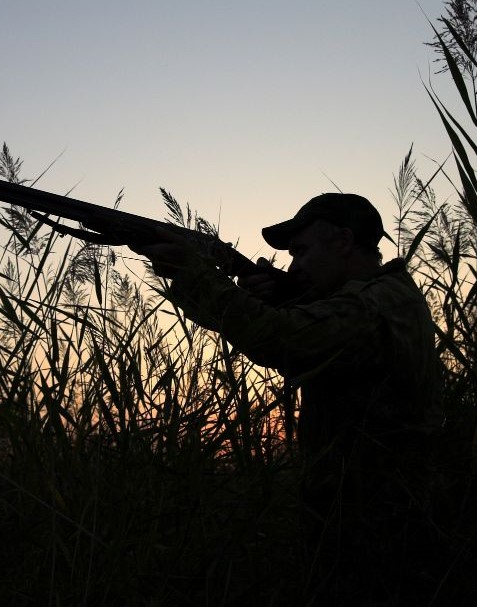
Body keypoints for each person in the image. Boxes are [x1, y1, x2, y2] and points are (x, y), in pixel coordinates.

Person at [130, 192, 441, 603]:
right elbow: (313, 337)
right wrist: (281, 298)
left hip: (379, 529)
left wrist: (196, 277)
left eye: (301, 252)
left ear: (344, 242)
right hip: (368, 520)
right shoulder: (381, 295)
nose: (294, 266)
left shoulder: (376, 304)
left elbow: (288, 339)